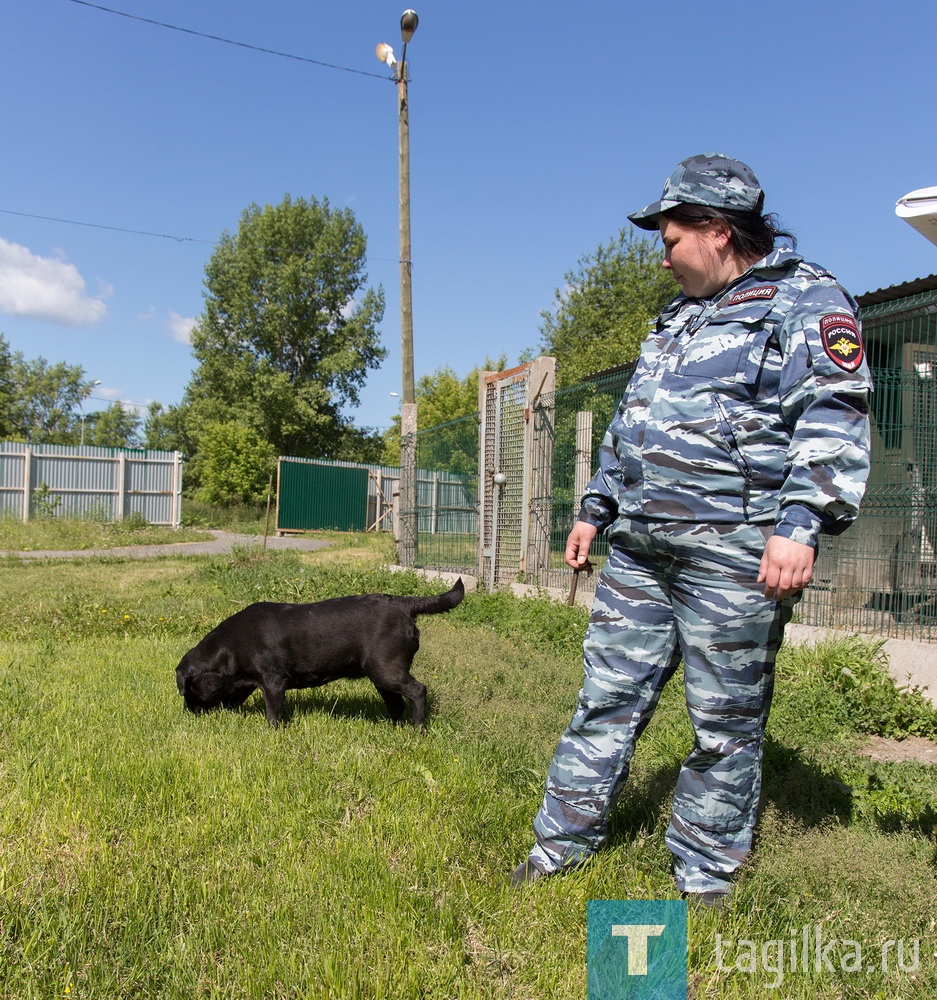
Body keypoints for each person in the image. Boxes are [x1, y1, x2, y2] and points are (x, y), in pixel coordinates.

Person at [511, 153, 872, 906]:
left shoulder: (806, 300)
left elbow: (831, 413)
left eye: (671, 237)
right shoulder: (675, 318)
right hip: (639, 551)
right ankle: (559, 845)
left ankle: (703, 877)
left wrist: (799, 523)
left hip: (734, 556)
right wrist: (593, 509)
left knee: (724, 726)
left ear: (716, 229)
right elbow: (630, 424)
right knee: (604, 700)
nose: (663, 254)